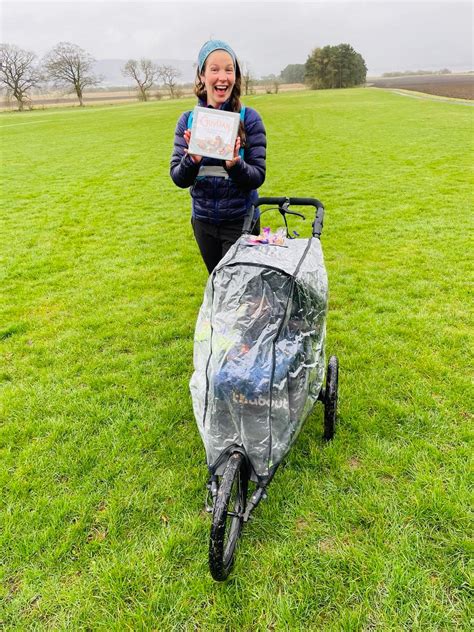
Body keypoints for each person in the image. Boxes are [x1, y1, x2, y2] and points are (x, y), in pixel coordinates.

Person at [170, 39, 267, 274]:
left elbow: (257, 176)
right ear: (202, 76)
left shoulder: (250, 118)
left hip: (241, 222)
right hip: (203, 223)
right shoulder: (188, 120)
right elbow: (178, 178)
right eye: (214, 69)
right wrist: (191, 160)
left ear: (236, 76)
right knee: (218, 285)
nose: (222, 77)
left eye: (229, 69)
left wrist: (235, 165)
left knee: (241, 293)